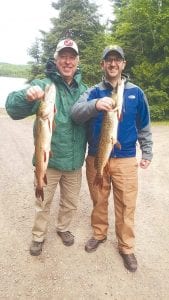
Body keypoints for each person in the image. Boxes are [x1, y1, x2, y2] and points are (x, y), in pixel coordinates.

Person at [71, 45, 153, 272]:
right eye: (109, 60)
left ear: (123, 64)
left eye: (117, 60)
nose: (113, 64)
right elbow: (76, 114)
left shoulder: (136, 92)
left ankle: (126, 247)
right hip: (97, 157)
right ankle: (99, 234)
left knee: (126, 205)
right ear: (102, 65)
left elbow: (144, 125)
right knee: (98, 198)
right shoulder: (93, 92)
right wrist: (95, 105)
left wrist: (147, 151)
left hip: (125, 158)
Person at [5, 39, 87, 256]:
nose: (67, 61)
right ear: (56, 60)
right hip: (48, 161)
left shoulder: (85, 90)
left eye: (71, 57)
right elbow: (12, 109)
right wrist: (26, 95)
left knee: (70, 203)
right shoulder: (44, 85)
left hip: (74, 162)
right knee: (43, 202)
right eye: (63, 56)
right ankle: (38, 236)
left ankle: (63, 228)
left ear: (77, 61)